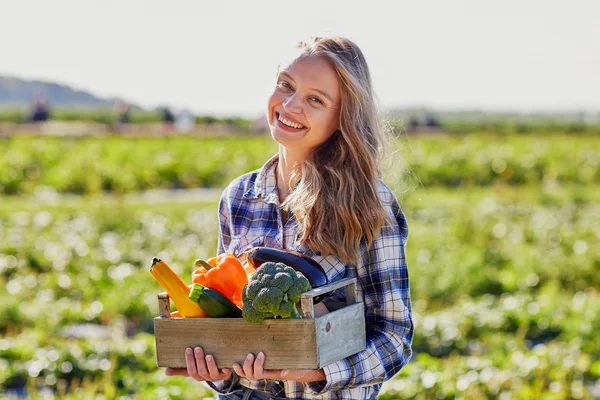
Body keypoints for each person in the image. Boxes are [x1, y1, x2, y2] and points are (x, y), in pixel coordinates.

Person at [165, 36, 414, 399]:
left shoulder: (370, 204)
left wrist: (318, 372)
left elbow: (394, 336)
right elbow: (226, 323)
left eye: (316, 99)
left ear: (342, 116)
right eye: (286, 85)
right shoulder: (238, 197)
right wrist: (215, 371)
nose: (291, 104)